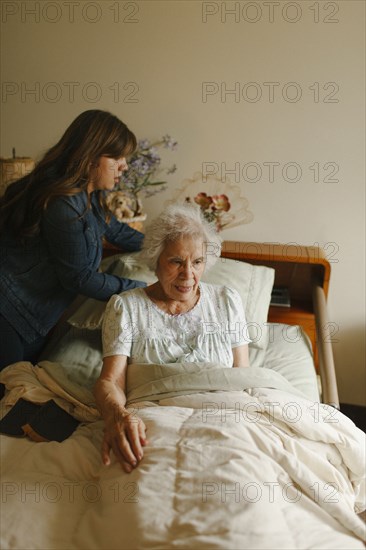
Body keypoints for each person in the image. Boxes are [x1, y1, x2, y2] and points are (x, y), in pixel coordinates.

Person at [94, 204, 251, 473]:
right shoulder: (126, 307)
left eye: (197, 262)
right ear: (156, 259)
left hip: (221, 419)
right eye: (176, 261)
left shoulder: (227, 301)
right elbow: (110, 381)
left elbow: (241, 379)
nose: (188, 274)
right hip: (153, 421)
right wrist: (118, 416)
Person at [0, 110, 146, 370]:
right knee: (9, 400)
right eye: (116, 156)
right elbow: (79, 278)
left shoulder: (89, 196)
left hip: (31, 317)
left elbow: (117, 233)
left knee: (16, 395)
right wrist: (144, 290)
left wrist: (167, 244)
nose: (124, 165)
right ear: (90, 156)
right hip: (8, 313)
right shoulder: (63, 205)